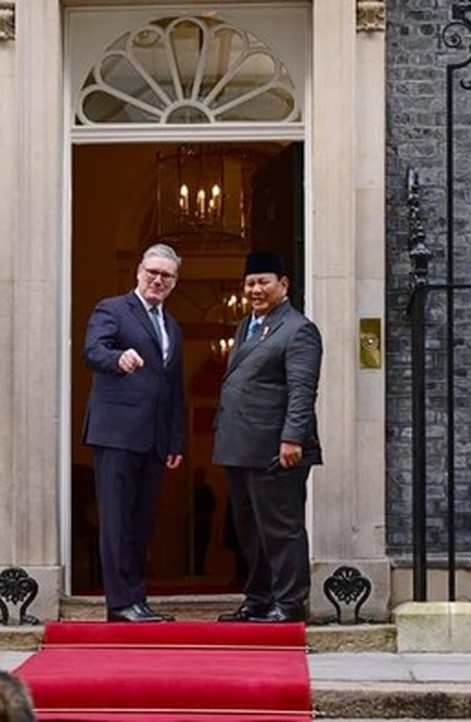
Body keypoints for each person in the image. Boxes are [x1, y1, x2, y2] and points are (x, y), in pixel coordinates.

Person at [212, 250, 322, 623]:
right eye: (249, 283)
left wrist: (292, 438)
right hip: (241, 445)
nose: (255, 289)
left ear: (283, 285)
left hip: (277, 448)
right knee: (249, 530)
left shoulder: (298, 329)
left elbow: (302, 389)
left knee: (280, 528)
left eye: (263, 282)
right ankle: (258, 597)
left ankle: (289, 603)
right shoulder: (247, 325)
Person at [82, 243, 185, 622]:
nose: (158, 280)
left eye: (166, 275)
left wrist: (175, 440)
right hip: (116, 433)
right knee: (117, 520)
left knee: (141, 522)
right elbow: (93, 350)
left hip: (154, 439)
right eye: (152, 272)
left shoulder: (171, 326)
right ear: (139, 272)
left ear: (175, 282)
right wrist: (117, 358)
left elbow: (174, 388)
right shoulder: (112, 309)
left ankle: (137, 599)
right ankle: (120, 603)